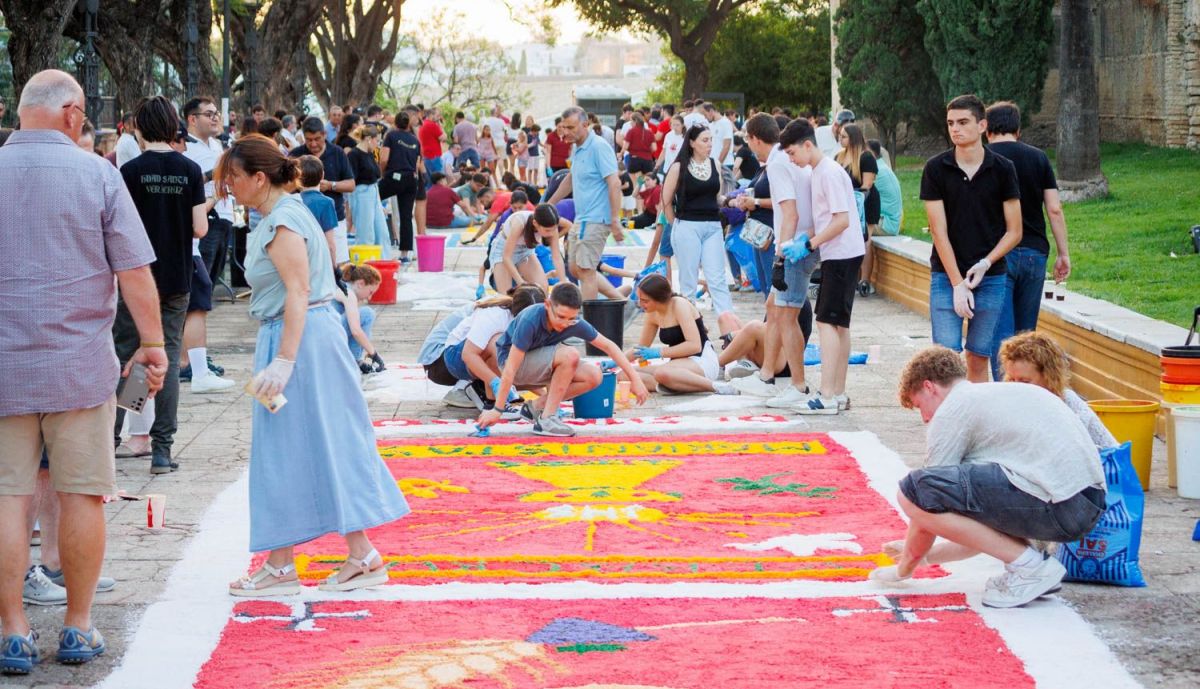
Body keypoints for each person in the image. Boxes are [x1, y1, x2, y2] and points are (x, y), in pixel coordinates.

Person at [0, 69, 168, 671]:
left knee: (7, 498)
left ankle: (13, 631)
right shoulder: (97, 174)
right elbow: (134, 272)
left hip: (3, 367)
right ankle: (77, 625)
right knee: (83, 496)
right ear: (73, 113)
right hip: (77, 367)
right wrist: (152, 343)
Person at [216, 134, 410, 597]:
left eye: (234, 177)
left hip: (298, 343)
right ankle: (331, 558)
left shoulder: (284, 219)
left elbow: (299, 291)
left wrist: (284, 359)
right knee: (298, 446)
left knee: (297, 446)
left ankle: (315, 561)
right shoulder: (283, 212)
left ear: (259, 178)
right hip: (295, 339)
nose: (227, 187)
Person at [877, 346, 1106, 608]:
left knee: (911, 490)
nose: (925, 418)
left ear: (930, 387)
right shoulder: (991, 397)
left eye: (920, 406)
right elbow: (981, 531)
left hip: (1062, 502)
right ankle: (1032, 566)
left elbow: (922, 501)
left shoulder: (954, 409)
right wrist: (925, 555)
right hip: (1085, 505)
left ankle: (1031, 568)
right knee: (953, 494)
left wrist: (905, 567)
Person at [115, 96, 208, 474]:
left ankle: (109, 442)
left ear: (139, 127)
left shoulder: (131, 171)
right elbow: (201, 227)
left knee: (125, 358)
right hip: (175, 279)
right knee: (164, 358)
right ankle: (162, 451)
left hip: (135, 280)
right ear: (173, 127)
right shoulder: (189, 169)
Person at [920, 94, 1022, 383]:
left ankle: (977, 420)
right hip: (946, 275)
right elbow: (938, 231)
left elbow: (1015, 231)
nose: (955, 129)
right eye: (950, 123)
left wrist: (986, 263)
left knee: (979, 355)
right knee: (944, 358)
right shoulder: (936, 168)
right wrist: (956, 284)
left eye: (963, 122)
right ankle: (947, 423)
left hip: (990, 277)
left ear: (982, 126)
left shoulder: (1003, 168)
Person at [478, 283, 648, 437]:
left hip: (540, 364)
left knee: (594, 376)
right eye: (560, 317)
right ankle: (547, 420)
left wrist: (636, 379)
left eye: (571, 318)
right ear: (547, 305)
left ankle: (536, 407)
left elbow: (609, 346)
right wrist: (497, 409)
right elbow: (509, 369)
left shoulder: (572, 322)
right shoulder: (531, 319)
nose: (565, 324)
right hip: (512, 365)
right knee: (570, 354)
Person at [778, 118, 866, 415]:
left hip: (841, 253)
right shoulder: (820, 171)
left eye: (792, 153)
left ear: (807, 145)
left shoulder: (827, 172)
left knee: (828, 323)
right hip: (842, 253)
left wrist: (810, 244)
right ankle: (837, 393)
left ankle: (827, 395)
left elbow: (841, 220)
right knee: (839, 323)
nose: (791, 159)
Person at [729, 114, 816, 406]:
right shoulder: (781, 160)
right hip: (799, 242)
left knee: (786, 315)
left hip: (793, 245)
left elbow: (790, 213)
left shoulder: (779, 164)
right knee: (774, 307)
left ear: (754, 139)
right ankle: (767, 373)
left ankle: (797, 384)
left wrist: (781, 254)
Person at [984, 101, 1071, 382]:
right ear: (1018, 130)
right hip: (1035, 252)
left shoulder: (984, 159)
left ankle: (1006, 397)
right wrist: (1063, 253)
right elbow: (1054, 209)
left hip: (997, 253)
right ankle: (1028, 391)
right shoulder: (1038, 158)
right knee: (1025, 335)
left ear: (987, 130)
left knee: (1002, 338)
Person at [180, 97, 236, 393]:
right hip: (203, 223)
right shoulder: (186, 149)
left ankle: (195, 361)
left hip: (223, 218)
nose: (216, 118)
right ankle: (187, 363)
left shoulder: (217, 146)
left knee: (205, 291)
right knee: (195, 296)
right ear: (191, 119)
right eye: (209, 114)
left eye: (217, 113)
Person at [660, 124, 738, 337]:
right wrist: (675, 223)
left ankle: (729, 330)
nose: (710, 144)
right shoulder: (679, 168)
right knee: (688, 279)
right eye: (705, 140)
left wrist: (731, 202)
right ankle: (692, 330)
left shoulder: (716, 164)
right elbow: (666, 200)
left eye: (711, 140)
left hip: (712, 225)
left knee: (717, 278)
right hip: (687, 224)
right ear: (692, 142)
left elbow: (717, 197)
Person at [546, 106, 625, 301]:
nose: (567, 132)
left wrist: (615, 219)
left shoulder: (598, 146)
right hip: (582, 218)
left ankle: (590, 323)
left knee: (585, 270)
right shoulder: (577, 148)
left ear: (585, 124)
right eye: (564, 127)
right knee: (575, 268)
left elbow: (614, 183)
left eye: (572, 127)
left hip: (596, 218)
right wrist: (549, 203)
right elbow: (571, 178)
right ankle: (619, 300)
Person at [999, 332, 1117, 449]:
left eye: (1025, 381)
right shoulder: (1009, 405)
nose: (1017, 387)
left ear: (1049, 377)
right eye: (1012, 379)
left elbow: (1111, 447)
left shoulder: (1069, 403)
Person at [623, 274, 736, 395]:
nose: (640, 304)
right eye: (639, 299)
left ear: (658, 299)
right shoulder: (652, 313)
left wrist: (658, 352)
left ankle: (715, 387)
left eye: (645, 301)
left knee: (661, 373)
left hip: (700, 360)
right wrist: (616, 362)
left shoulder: (679, 305)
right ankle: (670, 386)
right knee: (624, 374)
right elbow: (641, 349)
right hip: (677, 366)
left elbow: (694, 346)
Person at [442, 285, 546, 410]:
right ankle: (493, 403)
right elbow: (468, 354)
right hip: (457, 358)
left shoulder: (543, 320)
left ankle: (490, 391)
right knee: (499, 341)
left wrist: (547, 398)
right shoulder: (495, 315)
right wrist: (496, 383)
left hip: (488, 358)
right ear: (517, 314)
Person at [291, 117, 356, 263]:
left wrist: (331, 185)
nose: (313, 144)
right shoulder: (296, 154)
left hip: (334, 219)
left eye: (317, 139)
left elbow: (351, 184)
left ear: (325, 134)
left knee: (338, 262)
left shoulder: (337, 152)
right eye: (309, 140)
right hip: (303, 220)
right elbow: (285, 186)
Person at [834, 124, 878, 296]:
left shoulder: (866, 157)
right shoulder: (839, 156)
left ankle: (865, 279)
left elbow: (867, 185)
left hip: (864, 202)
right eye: (839, 136)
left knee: (865, 239)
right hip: (845, 203)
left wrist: (854, 199)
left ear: (853, 137)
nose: (840, 139)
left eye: (843, 136)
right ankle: (850, 278)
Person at [490, 203, 569, 294]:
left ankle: (545, 277)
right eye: (547, 230)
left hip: (525, 251)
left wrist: (563, 281)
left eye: (554, 229)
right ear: (535, 223)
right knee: (507, 296)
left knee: (542, 289)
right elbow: (506, 257)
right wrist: (521, 282)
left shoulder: (552, 225)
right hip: (502, 250)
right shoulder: (519, 222)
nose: (551, 233)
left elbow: (556, 256)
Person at [859, 139, 903, 293]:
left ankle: (864, 280)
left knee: (859, 233)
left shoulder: (874, 171)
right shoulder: (881, 167)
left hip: (886, 224)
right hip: (888, 220)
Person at [379, 110, 424, 258]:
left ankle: (376, 242)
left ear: (395, 123)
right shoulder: (415, 140)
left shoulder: (391, 136)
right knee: (406, 216)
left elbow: (384, 158)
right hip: (411, 178)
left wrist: (382, 173)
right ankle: (405, 253)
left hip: (395, 176)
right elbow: (417, 164)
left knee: (372, 198)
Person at [346, 123, 393, 260]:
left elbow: (376, 175)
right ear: (368, 139)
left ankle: (384, 263)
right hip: (361, 193)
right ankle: (364, 266)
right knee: (366, 234)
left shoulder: (370, 154)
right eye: (377, 141)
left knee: (382, 233)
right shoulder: (354, 155)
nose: (377, 144)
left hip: (373, 192)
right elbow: (352, 180)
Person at [332, 263, 385, 373]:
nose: (369, 297)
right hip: (329, 336)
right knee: (367, 314)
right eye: (370, 292)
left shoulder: (343, 287)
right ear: (360, 283)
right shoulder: (348, 292)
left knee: (364, 330)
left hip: (328, 334)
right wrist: (374, 354)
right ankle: (355, 359)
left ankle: (354, 359)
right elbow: (355, 331)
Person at [296, 155, 340, 273]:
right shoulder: (326, 203)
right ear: (322, 175)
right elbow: (330, 242)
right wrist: (334, 267)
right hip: (319, 261)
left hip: (297, 259)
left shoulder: (293, 201)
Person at [419, 108, 446, 176]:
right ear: (431, 115)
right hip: (434, 156)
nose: (438, 118)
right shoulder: (432, 125)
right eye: (437, 115)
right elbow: (444, 138)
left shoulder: (423, 124)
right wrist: (441, 127)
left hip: (426, 156)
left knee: (430, 180)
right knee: (440, 179)